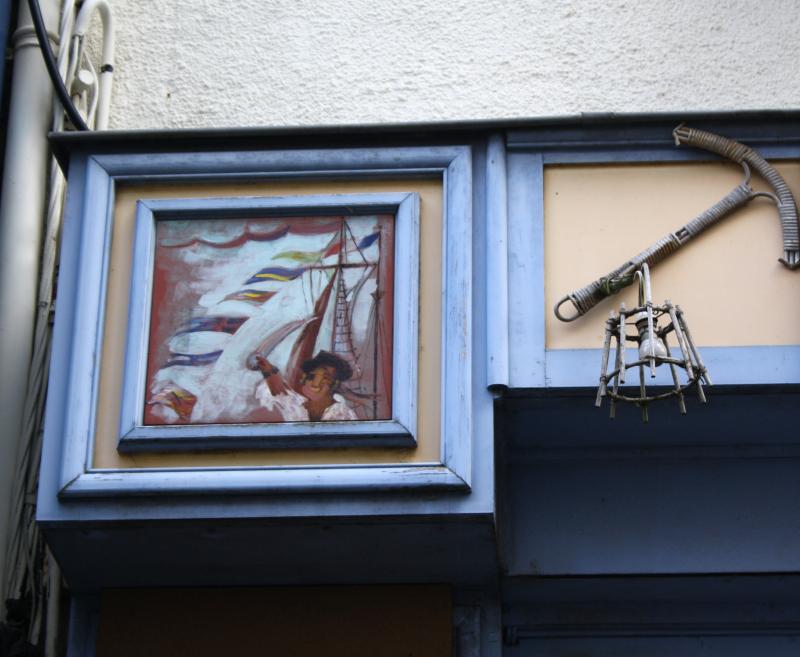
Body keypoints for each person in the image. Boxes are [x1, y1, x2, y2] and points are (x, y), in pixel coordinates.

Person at [252, 350, 358, 421]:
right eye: (312, 376)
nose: (315, 383)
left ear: (335, 385)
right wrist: (268, 370)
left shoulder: (345, 416)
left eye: (326, 378)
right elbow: (280, 392)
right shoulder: (297, 406)